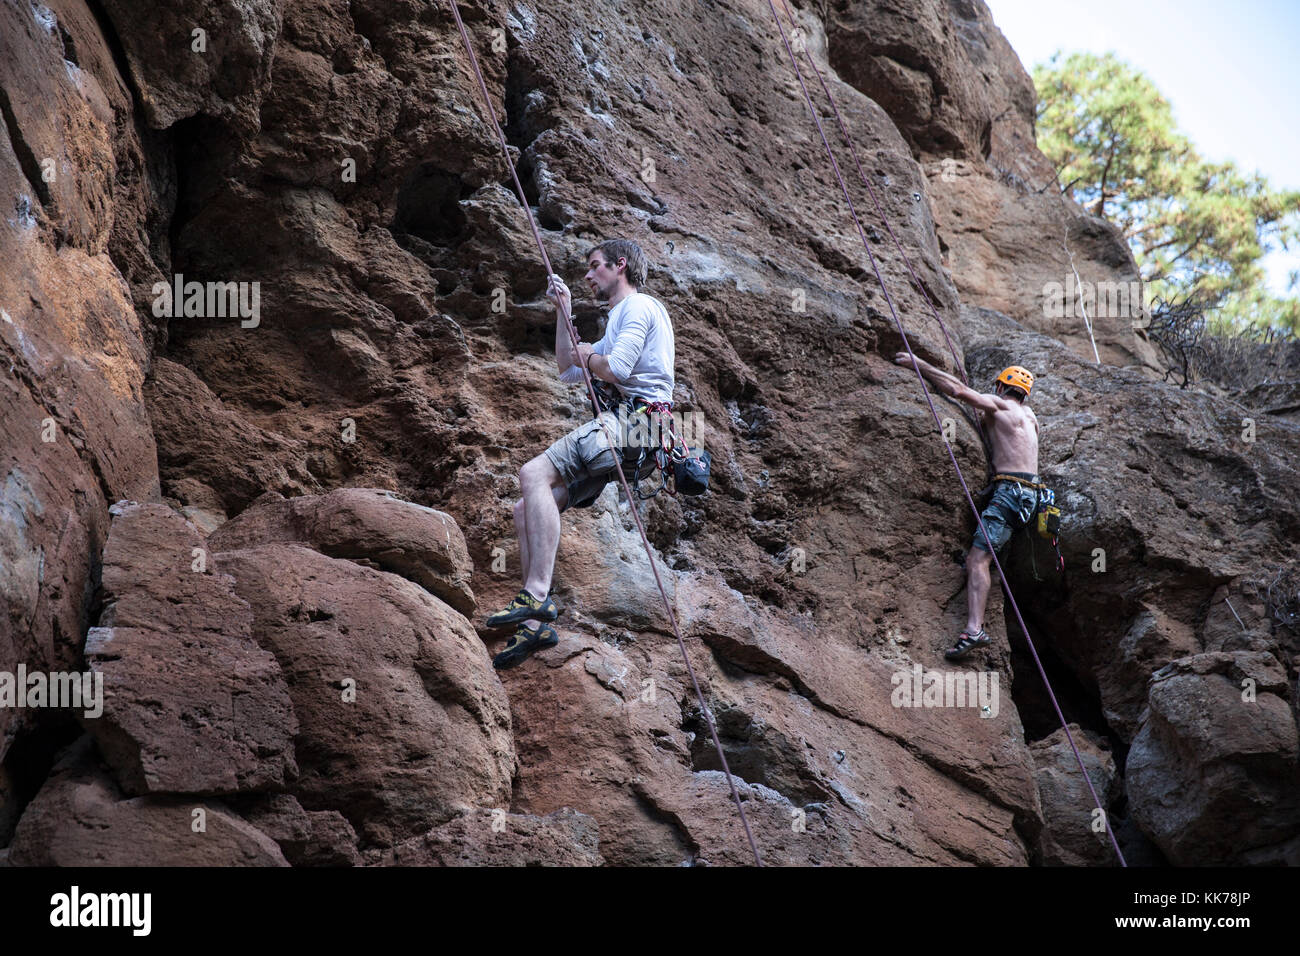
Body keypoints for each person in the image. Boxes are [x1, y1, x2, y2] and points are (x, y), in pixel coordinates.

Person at [488, 239, 675, 669]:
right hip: (638, 439)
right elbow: (569, 370)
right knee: (525, 508)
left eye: (595, 267)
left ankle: (535, 596)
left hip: (632, 425)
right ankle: (534, 626)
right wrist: (563, 311)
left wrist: (592, 355)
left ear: (620, 265)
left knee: (533, 473)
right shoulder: (619, 319)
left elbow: (616, 369)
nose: (588, 275)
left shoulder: (639, 307)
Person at [894, 355, 1040, 661]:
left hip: (1010, 492)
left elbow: (958, 391)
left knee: (978, 560)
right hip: (1030, 497)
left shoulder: (1000, 406)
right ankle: (977, 620)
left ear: (1002, 387)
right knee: (987, 555)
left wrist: (919, 364)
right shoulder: (1031, 418)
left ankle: (974, 629)